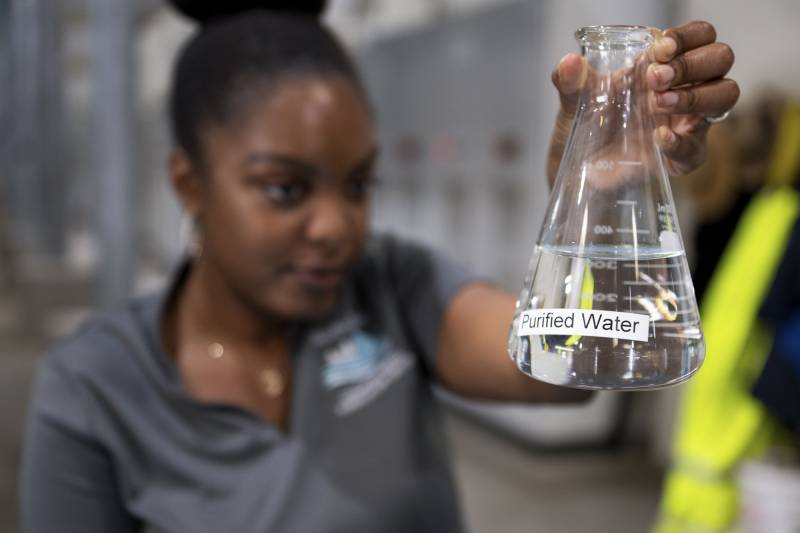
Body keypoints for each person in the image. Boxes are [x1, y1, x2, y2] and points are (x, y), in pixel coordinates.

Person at [19, 2, 739, 532]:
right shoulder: (96, 383)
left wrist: (598, 198)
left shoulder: (391, 283)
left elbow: (563, 362)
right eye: (284, 187)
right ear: (189, 184)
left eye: (358, 184)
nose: (337, 226)